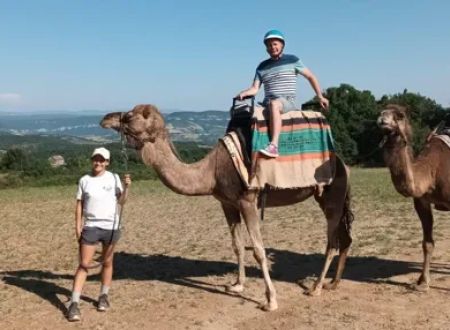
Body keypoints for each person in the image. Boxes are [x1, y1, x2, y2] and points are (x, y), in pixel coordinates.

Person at [236, 29, 330, 157]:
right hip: (266, 103)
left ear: (282, 45)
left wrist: (320, 96)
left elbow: (310, 77)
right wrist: (243, 93)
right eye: (269, 45)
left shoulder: (292, 60)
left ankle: (274, 146)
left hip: (286, 101)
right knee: (243, 112)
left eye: (275, 44)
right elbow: (255, 88)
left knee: (275, 104)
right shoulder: (262, 66)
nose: (272, 47)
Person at [67, 147, 131, 322]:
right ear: (92, 160)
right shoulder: (84, 180)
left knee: (108, 262)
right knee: (84, 265)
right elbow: (79, 205)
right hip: (91, 227)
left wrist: (126, 188)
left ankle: (103, 296)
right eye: (96, 159)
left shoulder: (114, 178)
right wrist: (77, 226)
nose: (98, 162)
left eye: (102, 160)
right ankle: (74, 303)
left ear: (107, 162)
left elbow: (122, 201)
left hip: (111, 227)